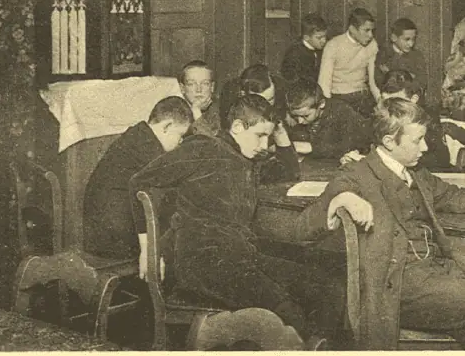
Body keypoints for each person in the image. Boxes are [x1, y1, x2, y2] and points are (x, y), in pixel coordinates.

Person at [292, 97, 465, 350]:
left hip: (436, 278)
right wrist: (340, 199)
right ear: (389, 141)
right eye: (416, 140)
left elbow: (458, 197)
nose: (424, 148)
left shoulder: (417, 174)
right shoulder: (357, 175)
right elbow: (302, 230)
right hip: (398, 289)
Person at [129, 94, 343, 346]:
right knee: (287, 310)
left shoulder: (248, 158)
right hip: (202, 261)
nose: (265, 145)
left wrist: (280, 134)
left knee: (327, 287)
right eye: (260, 136)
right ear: (238, 127)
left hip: (240, 255)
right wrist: (147, 249)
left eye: (269, 137)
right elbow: (139, 182)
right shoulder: (203, 147)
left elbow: (291, 172)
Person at [82, 97, 193, 259]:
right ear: (166, 126)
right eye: (180, 135)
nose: (180, 142)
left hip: (100, 229)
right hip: (113, 235)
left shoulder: (139, 134)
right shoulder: (149, 148)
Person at [317, 7, 381, 119]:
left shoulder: (372, 45)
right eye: (366, 30)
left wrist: (380, 100)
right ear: (352, 29)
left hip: (362, 97)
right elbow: (324, 83)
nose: (370, 35)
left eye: (372, 31)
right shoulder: (333, 45)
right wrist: (326, 110)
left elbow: (372, 80)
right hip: (339, 99)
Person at [285, 78, 371, 160]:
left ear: (321, 104)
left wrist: (312, 147)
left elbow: (349, 146)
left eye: (305, 116)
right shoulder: (298, 115)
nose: (300, 121)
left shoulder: (342, 111)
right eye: (295, 116)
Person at [375, 18, 429, 99]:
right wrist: (410, 76)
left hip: (411, 97)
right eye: (407, 39)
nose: (411, 44)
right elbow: (379, 80)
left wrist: (389, 72)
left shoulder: (417, 55)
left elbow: (422, 80)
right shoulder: (383, 55)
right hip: (389, 98)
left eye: (413, 39)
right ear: (394, 38)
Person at [280, 14, 328, 87]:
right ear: (306, 38)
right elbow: (290, 79)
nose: (324, 40)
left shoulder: (323, 47)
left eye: (325, 36)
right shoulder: (294, 54)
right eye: (319, 38)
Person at [178, 60, 220, 137]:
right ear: (182, 88)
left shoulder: (221, 112)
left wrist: (196, 112)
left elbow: (212, 145)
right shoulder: (176, 110)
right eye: (191, 84)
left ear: (212, 87)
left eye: (205, 83)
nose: (198, 89)